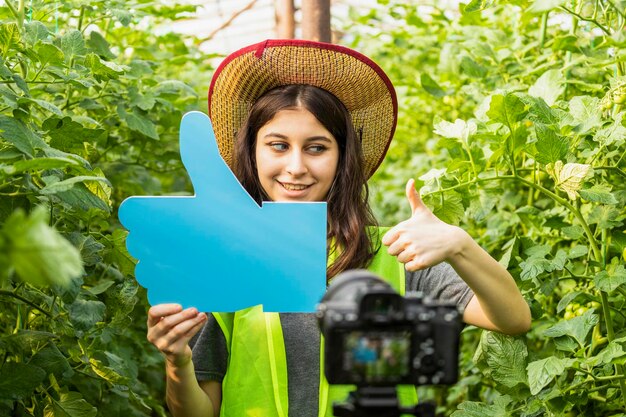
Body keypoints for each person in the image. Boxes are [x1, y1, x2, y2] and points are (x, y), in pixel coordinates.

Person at [145, 39, 531, 417]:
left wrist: (458, 244)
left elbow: (512, 319)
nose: (296, 167)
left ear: (342, 157)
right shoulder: (221, 261)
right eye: (278, 145)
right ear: (253, 151)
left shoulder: (394, 252)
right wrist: (177, 362)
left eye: (316, 148)